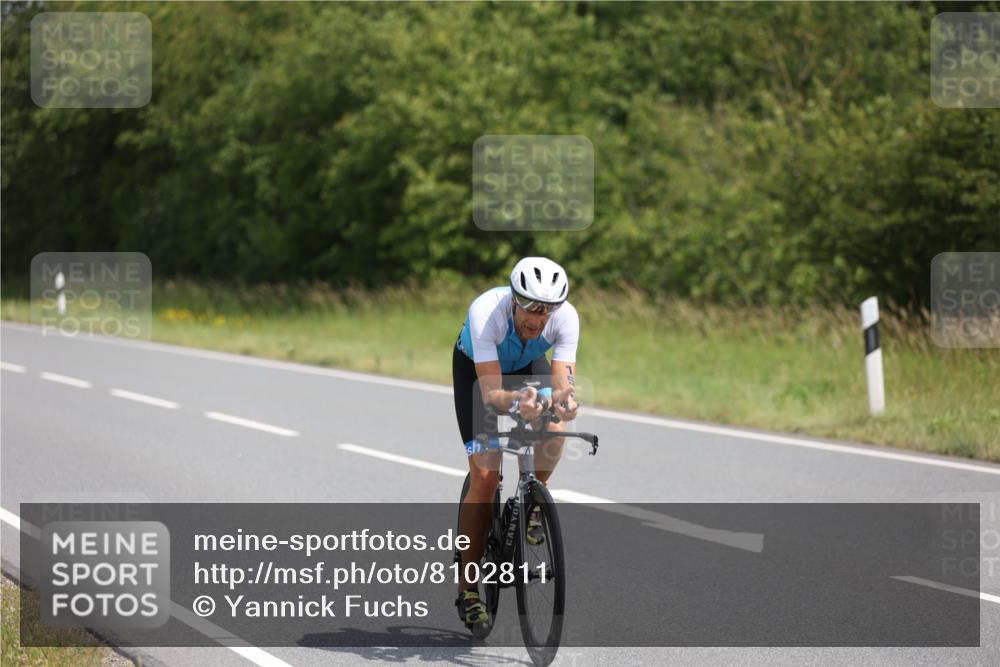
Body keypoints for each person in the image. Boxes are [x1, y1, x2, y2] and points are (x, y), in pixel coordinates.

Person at [452, 256, 580, 626]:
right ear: (513, 299)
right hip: (478, 372)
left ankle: (534, 500)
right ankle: (468, 590)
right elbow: (492, 394)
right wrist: (518, 403)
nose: (539, 318)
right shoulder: (485, 313)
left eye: (547, 310)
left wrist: (565, 402)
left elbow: (563, 384)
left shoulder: (566, 318)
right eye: (531, 307)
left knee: (556, 427)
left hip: (526, 366)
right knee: (486, 477)